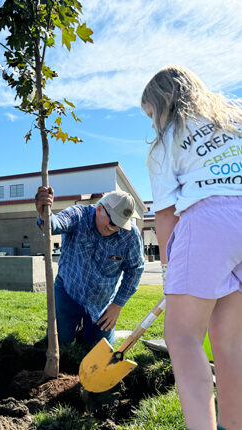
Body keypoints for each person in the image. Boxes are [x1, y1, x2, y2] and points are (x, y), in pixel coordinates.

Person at [142, 65, 242, 430]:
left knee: (182, 337)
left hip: (206, 222)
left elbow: (166, 216)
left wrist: (171, 274)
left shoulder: (166, 141)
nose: (152, 123)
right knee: (230, 343)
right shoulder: (235, 117)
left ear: (162, 105)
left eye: (151, 114)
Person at [35, 188, 145, 346]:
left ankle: (86, 333)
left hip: (101, 301)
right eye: (113, 222)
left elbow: (135, 270)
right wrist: (44, 215)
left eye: (121, 225)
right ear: (100, 208)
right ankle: (67, 331)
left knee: (98, 347)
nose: (115, 228)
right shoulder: (78, 215)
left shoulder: (130, 236)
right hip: (68, 290)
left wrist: (117, 305)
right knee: (61, 340)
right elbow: (56, 224)